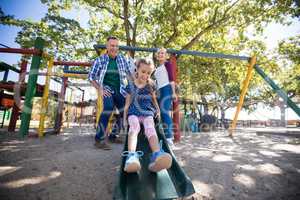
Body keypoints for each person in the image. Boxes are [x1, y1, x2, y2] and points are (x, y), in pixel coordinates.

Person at [122, 58, 172, 173]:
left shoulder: (151, 85)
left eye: (149, 73)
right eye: (143, 72)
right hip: (133, 112)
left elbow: (154, 100)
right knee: (134, 128)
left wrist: (158, 110)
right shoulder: (130, 85)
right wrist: (124, 119)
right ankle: (131, 157)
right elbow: (127, 103)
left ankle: (157, 154)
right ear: (137, 70)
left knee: (150, 127)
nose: (146, 75)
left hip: (147, 112)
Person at [89, 36, 132, 150]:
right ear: (107, 46)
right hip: (107, 90)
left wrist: (133, 88)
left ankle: (113, 135)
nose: (114, 48)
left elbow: (129, 75)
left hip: (121, 90)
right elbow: (91, 77)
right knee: (108, 108)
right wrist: (100, 89)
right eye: (112, 45)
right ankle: (99, 139)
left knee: (126, 111)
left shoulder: (122, 59)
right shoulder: (100, 60)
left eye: (116, 45)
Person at [154, 48, 177, 146]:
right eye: (159, 53)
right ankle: (160, 135)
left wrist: (173, 92)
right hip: (159, 90)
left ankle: (169, 137)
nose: (160, 55)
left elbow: (171, 79)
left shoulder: (168, 64)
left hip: (166, 89)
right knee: (158, 112)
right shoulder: (157, 68)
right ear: (156, 55)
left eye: (162, 53)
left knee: (164, 112)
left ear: (166, 55)